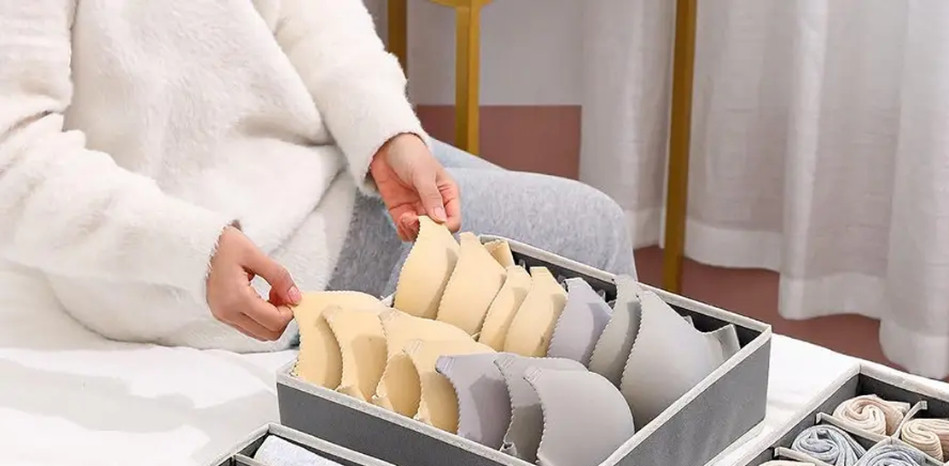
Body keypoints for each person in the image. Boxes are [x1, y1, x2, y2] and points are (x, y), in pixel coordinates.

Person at [0, 1, 635, 352]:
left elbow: (313, 13)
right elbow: (12, 153)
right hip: (232, 253)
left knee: (546, 237)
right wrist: (190, 249)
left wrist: (386, 133)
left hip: (310, 162)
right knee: (594, 235)